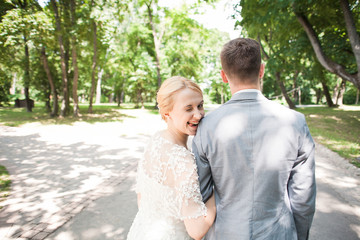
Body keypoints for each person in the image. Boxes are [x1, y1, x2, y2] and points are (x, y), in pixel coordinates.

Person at [192, 38, 316, 240]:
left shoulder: (206, 126)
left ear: (223, 76)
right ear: (262, 70)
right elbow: (304, 197)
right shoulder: (296, 122)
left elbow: (201, 194)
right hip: (279, 234)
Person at [127, 76, 216, 240]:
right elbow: (197, 230)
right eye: (188, 109)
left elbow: (142, 198)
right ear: (167, 113)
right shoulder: (182, 160)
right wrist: (217, 194)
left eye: (200, 105)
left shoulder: (155, 140)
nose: (198, 114)